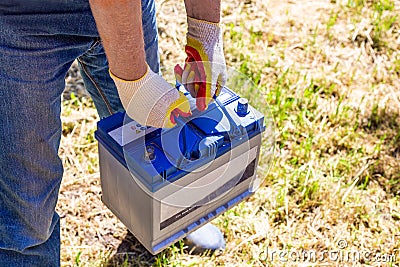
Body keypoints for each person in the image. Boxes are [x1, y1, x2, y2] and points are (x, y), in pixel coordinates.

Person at [0, 0, 227, 266]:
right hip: (20, 21)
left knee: (153, 144)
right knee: (26, 205)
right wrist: (134, 80)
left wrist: (205, 31)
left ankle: (165, 222)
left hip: (129, 13)